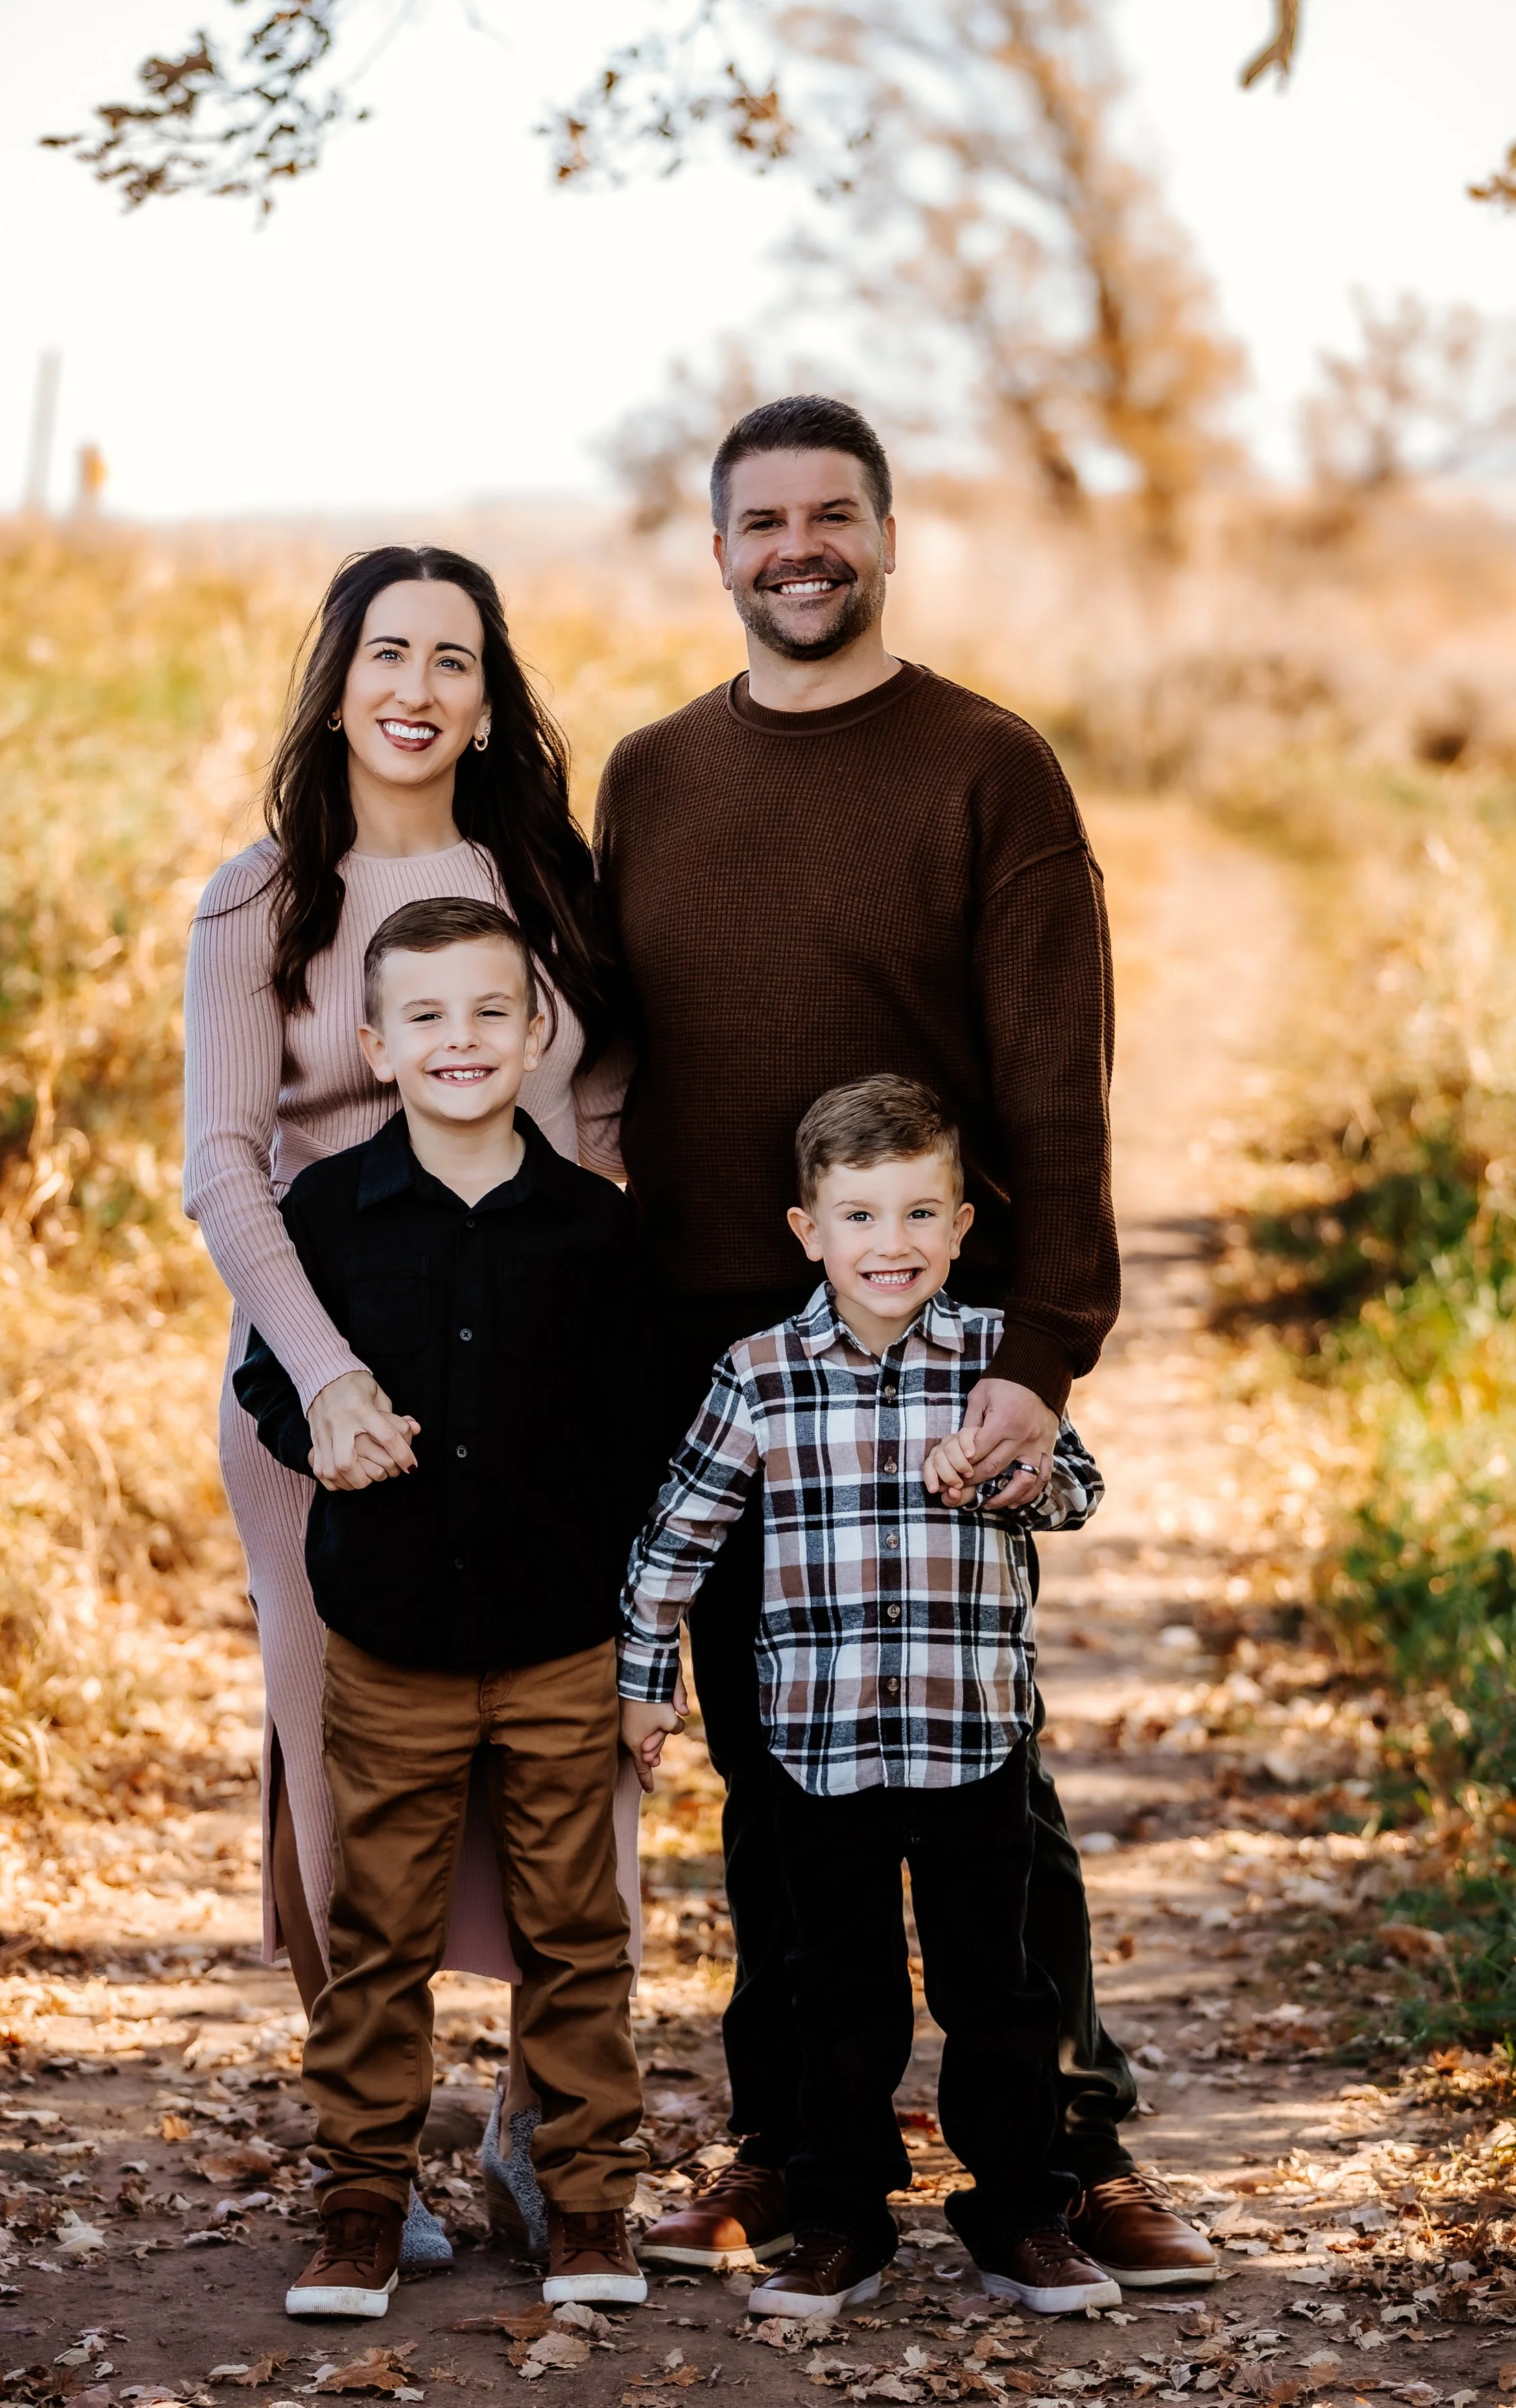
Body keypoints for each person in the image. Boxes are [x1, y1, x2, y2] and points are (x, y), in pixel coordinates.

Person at [597, 395, 1215, 2291]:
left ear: (887, 534)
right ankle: (799, 2140)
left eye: (833, 516)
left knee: (977, 1773)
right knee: (778, 1780)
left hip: (938, 1349)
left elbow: (1057, 1081)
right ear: (714, 550)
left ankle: (1068, 2145)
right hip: (717, 1351)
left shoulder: (986, 766)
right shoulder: (644, 776)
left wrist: (1045, 1345)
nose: (799, 547)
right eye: (761, 518)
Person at [182, 545, 637, 2261]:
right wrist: (327, 1375)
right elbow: (223, 1169)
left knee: (565, 1763)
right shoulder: (259, 899)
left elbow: (597, 1127)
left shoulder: (550, 881)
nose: (419, 688)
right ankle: (373, 2159)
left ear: (488, 693)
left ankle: (544, 2135)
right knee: (342, 1762)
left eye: (455, 658)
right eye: (388, 651)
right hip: (323, 1390)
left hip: (536, 1387)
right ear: (339, 675)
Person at [621, 1076, 1117, 2316]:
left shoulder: (995, 1364)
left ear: (958, 1226)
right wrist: (644, 1685)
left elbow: (1080, 1488)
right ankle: (842, 2218)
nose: (887, 1245)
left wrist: (1019, 1479)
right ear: (808, 1231)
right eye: (858, 1217)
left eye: (916, 1215)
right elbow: (674, 1539)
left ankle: (1020, 2214)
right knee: (834, 1991)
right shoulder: (759, 1373)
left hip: (971, 1735)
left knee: (995, 1991)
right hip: (817, 1743)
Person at [235, 897, 667, 2317]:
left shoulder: (596, 1233)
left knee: (576, 1933)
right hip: (390, 1643)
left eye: (491, 1011)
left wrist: (646, 1649)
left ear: (537, 1032)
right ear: (375, 1043)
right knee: (377, 1935)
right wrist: (325, 1431)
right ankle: (362, 2201)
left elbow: (642, 1439)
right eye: (424, 1016)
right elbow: (269, 1381)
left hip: (559, 1644)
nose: (460, 1039)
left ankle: (586, 2204)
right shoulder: (325, 1215)